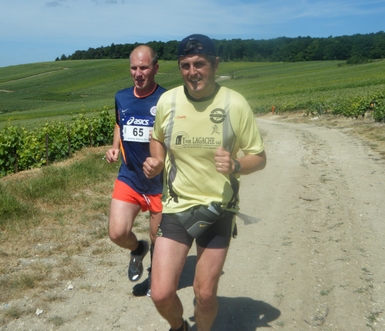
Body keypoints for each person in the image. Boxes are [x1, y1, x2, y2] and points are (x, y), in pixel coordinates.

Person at [143, 34, 267, 331]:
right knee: (160, 293)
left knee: (205, 294)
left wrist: (236, 164)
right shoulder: (168, 101)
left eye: (199, 64)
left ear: (214, 64)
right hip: (176, 205)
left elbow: (259, 157)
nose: (192, 72)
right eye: (185, 65)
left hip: (218, 207)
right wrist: (157, 160)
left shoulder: (235, 104)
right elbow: (157, 138)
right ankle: (180, 327)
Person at [106, 45, 166, 296]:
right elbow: (120, 124)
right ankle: (137, 249)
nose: (138, 73)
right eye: (133, 67)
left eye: (143, 67)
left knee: (158, 239)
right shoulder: (121, 97)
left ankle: (156, 276)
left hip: (161, 182)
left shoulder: (167, 99)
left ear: (155, 68)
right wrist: (114, 147)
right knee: (117, 232)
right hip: (130, 175)